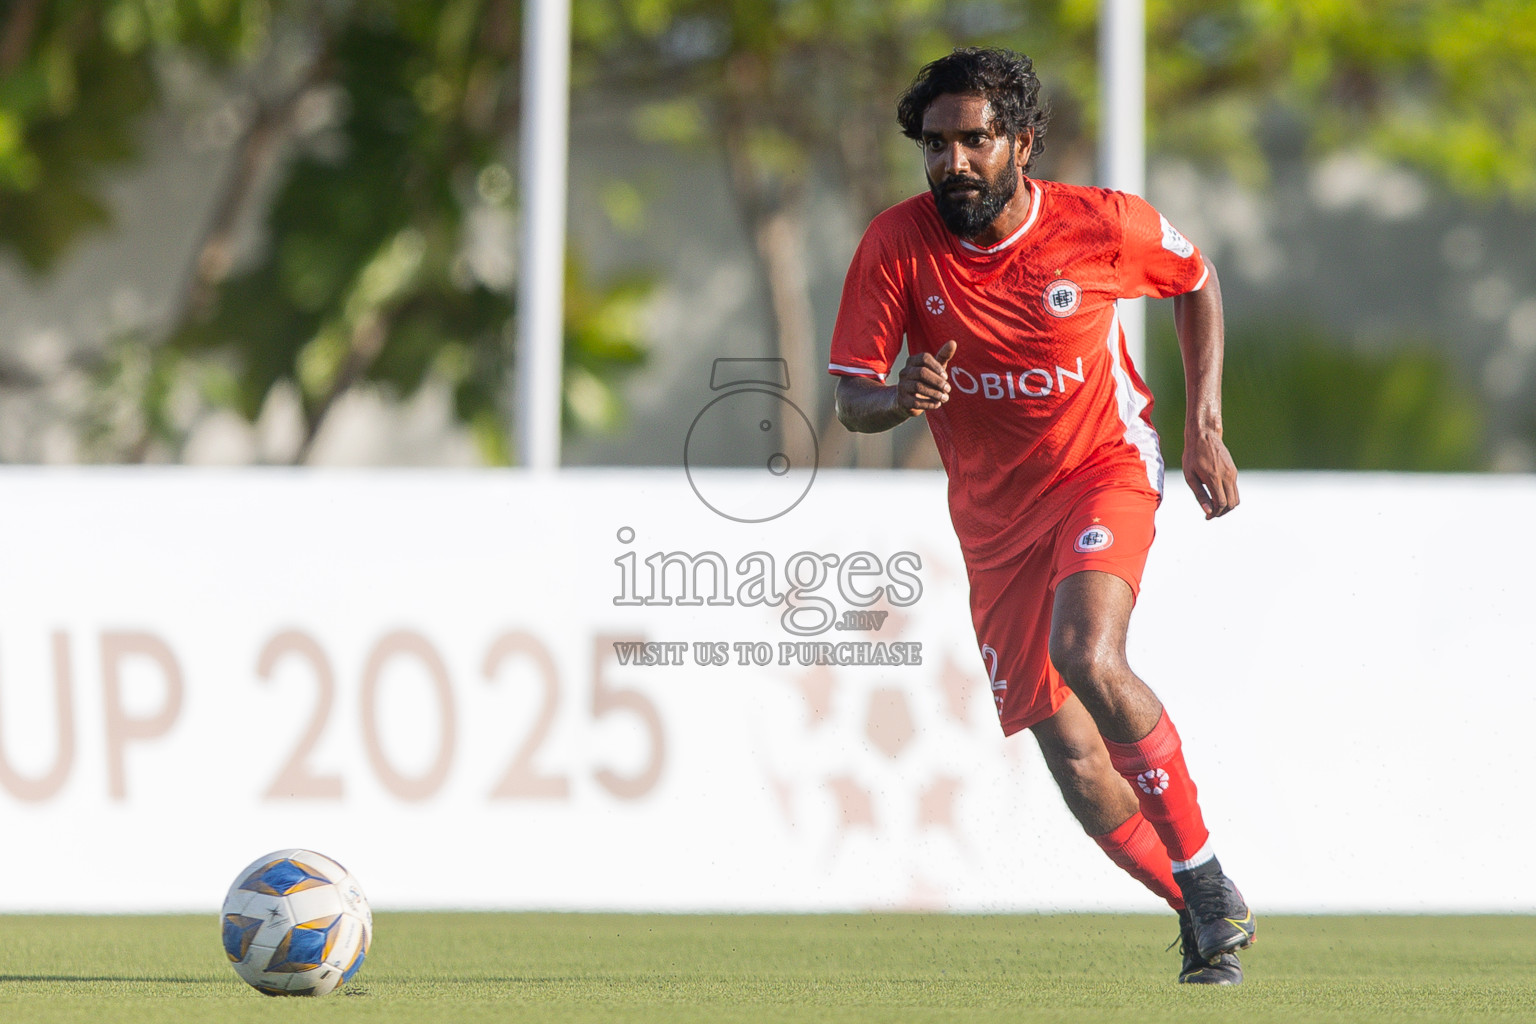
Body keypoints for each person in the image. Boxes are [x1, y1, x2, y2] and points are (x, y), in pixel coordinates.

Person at [828, 47, 1255, 985]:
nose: (953, 164)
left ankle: (1208, 877)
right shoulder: (895, 246)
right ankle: (1200, 909)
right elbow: (852, 398)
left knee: (1087, 652)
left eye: (974, 141)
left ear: (1022, 141)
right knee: (1071, 755)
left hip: (1101, 470)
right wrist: (898, 397)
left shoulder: (1100, 225)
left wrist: (1204, 428)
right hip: (993, 525)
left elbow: (1196, 281)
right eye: (935, 146)